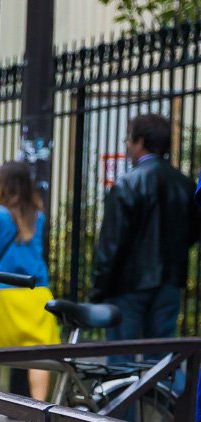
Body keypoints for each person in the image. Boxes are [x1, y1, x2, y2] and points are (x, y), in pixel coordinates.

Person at [89, 113, 199, 349]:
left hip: (128, 284)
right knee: (160, 358)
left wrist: (98, 289)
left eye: (128, 140)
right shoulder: (185, 185)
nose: (127, 147)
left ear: (139, 142)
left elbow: (111, 244)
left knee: (121, 356)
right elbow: (192, 232)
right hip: (169, 280)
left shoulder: (127, 184)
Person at [0, 160, 57, 401]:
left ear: (5, 185)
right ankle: (39, 413)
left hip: (2, 294)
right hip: (37, 293)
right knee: (38, 358)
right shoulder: (38, 216)